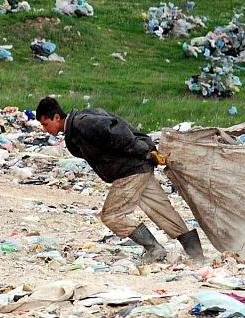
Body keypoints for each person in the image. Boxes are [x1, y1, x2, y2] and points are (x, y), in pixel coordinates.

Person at [36, 97, 204, 263]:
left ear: (56, 117)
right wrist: (147, 150)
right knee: (162, 210)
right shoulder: (80, 125)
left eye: (45, 124)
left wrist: (146, 152)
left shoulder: (82, 123)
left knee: (112, 216)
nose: (45, 129)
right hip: (139, 167)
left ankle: (154, 249)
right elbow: (122, 129)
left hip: (131, 171)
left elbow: (121, 135)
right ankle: (196, 254)